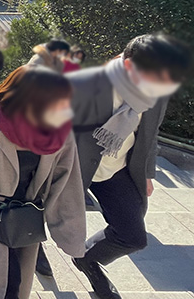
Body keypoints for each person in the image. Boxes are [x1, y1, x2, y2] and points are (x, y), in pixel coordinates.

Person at [0, 66, 86, 299]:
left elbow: (66, 183)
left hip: (26, 218)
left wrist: (70, 235)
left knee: (16, 284)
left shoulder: (60, 132)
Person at [69, 34, 191, 299]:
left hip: (117, 170)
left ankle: (87, 260)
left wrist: (147, 173)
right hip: (75, 170)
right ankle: (33, 251)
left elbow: (150, 134)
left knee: (133, 236)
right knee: (42, 221)